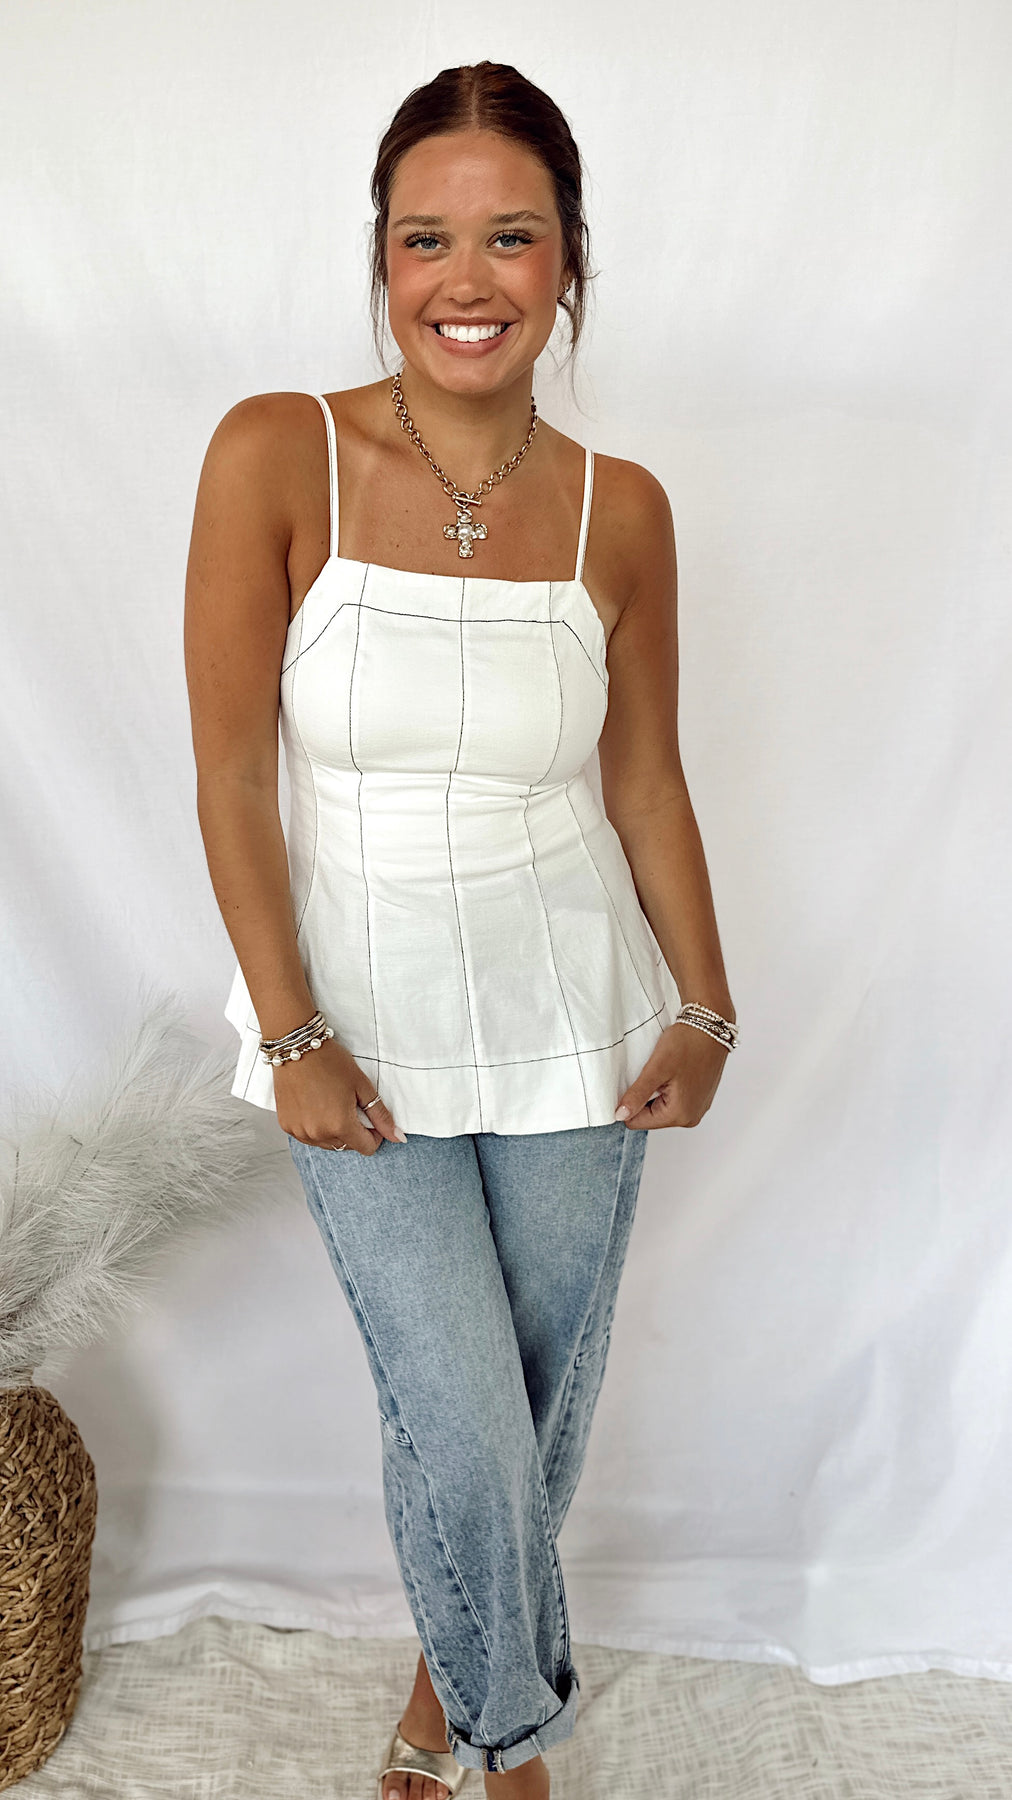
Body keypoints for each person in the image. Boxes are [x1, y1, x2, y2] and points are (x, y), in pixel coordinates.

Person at [184, 59, 736, 1800]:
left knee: (530, 1414)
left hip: (581, 1016)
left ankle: (442, 1705)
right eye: (427, 239)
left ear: (571, 259)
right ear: (381, 254)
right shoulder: (276, 451)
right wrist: (289, 1027)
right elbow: (227, 771)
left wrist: (707, 1007)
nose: (467, 280)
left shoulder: (622, 508)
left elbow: (647, 780)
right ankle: (511, 1739)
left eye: (513, 236)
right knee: (463, 1412)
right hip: (355, 1024)